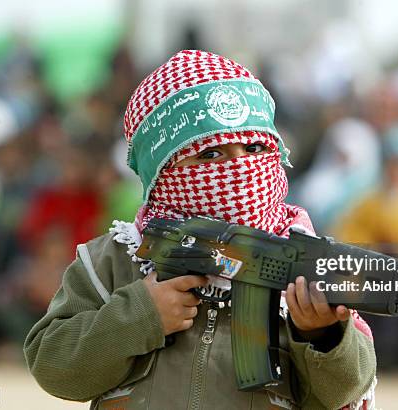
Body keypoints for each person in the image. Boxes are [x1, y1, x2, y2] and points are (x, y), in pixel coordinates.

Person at [24, 50, 377, 410]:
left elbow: (345, 391)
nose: (241, 168)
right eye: (211, 155)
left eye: (255, 147)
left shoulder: (303, 266)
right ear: (163, 169)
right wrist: (141, 316)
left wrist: (321, 335)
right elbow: (53, 366)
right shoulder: (116, 260)